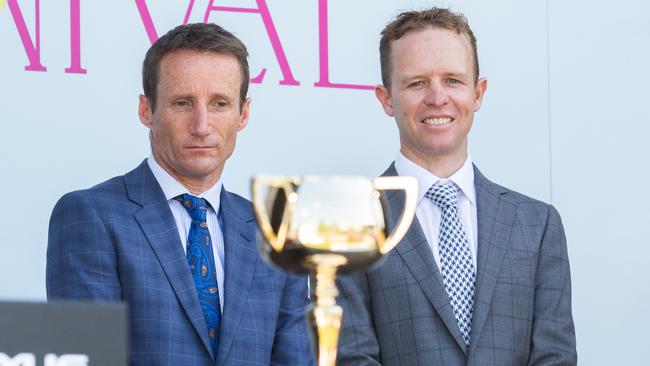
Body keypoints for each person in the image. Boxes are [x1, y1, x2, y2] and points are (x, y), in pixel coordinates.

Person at [46, 23, 313, 366]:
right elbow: (90, 358)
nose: (201, 125)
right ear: (147, 110)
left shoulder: (275, 230)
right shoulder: (91, 215)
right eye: (182, 103)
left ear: (243, 114)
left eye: (219, 103)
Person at [336, 8, 576, 365]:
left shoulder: (537, 225)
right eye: (417, 83)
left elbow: (555, 356)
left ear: (477, 93)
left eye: (452, 80)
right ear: (387, 99)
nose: (437, 98)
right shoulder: (346, 222)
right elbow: (350, 357)